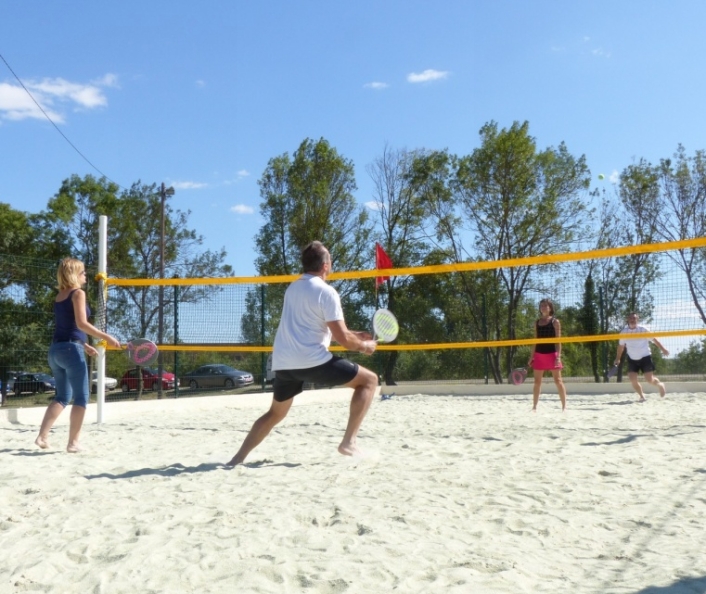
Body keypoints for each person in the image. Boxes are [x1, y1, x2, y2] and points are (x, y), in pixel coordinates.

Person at [227, 241, 379, 466]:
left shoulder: (293, 288)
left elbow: (320, 326)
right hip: (311, 361)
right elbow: (343, 339)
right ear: (326, 265)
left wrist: (357, 333)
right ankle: (349, 442)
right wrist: (364, 346)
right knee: (369, 381)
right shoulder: (327, 292)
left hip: (284, 363)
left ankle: (236, 459)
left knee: (274, 414)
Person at [35, 258, 121, 452]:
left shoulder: (59, 296)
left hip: (56, 350)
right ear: (74, 274)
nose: (85, 276)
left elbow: (68, 327)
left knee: (62, 396)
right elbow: (81, 324)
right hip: (70, 350)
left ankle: (42, 436)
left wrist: (83, 345)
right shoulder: (78, 293)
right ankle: (73, 443)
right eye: (82, 272)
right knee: (81, 397)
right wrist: (106, 336)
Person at [614, 312, 669, 402]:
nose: (632, 320)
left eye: (634, 318)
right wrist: (618, 358)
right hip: (632, 358)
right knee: (633, 380)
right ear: (628, 320)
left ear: (637, 320)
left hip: (645, 357)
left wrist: (663, 349)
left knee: (649, 380)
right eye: (631, 318)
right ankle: (642, 396)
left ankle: (660, 385)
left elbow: (654, 340)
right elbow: (621, 347)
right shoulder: (623, 332)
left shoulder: (643, 330)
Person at [528, 298, 567, 411]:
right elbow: (535, 340)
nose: (543, 307)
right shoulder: (537, 322)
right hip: (539, 354)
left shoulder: (555, 322)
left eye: (545, 305)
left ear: (550, 308)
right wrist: (532, 356)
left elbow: (558, 341)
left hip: (552, 354)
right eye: (541, 306)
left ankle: (564, 407)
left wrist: (558, 357)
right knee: (537, 382)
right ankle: (534, 407)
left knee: (558, 381)